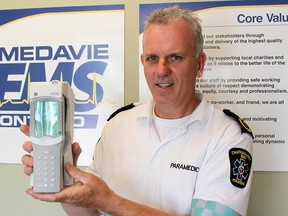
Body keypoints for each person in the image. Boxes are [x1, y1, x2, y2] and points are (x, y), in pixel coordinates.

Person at [21, 5, 253, 216]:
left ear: (199, 64)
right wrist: (66, 183)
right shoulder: (118, 124)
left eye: (175, 57)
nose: (161, 70)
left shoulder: (227, 135)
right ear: (143, 62)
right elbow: (89, 213)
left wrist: (110, 202)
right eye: (153, 58)